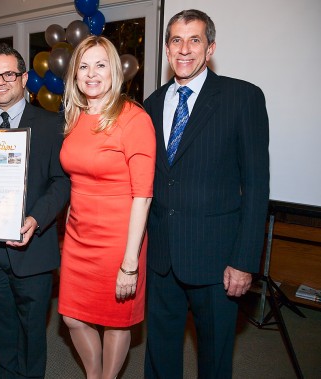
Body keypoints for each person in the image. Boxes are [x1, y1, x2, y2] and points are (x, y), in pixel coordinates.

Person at [143, 9, 270, 379]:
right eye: (176, 40)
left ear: (210, 47)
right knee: (160, 353)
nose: (184, 49)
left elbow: (257, 186)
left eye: (194, 40)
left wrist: (245, 260)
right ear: (167, 49)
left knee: (214, 359)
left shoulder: (242, 97)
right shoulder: (152, 104)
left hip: (217, 260)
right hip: (162, 256)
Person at [0, 43, 70, 379]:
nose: (0, 81)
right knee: (0, 329)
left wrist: (36, 218)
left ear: (24, 78)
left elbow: (61, 182)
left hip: (33, 249)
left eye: (9, 73)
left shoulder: (53, 124)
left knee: (33, 332)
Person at [58, 35, 156, 379]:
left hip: (119, 239)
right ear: (75, 75)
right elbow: (77, 175)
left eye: (100, 65)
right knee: (71, 315)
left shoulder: (133, 119)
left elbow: (143, 195)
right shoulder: (75, 117)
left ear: (114, 71)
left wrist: (130, 262)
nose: (91, 74)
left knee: (116, 321)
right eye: (83, 66)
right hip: (78, 235)